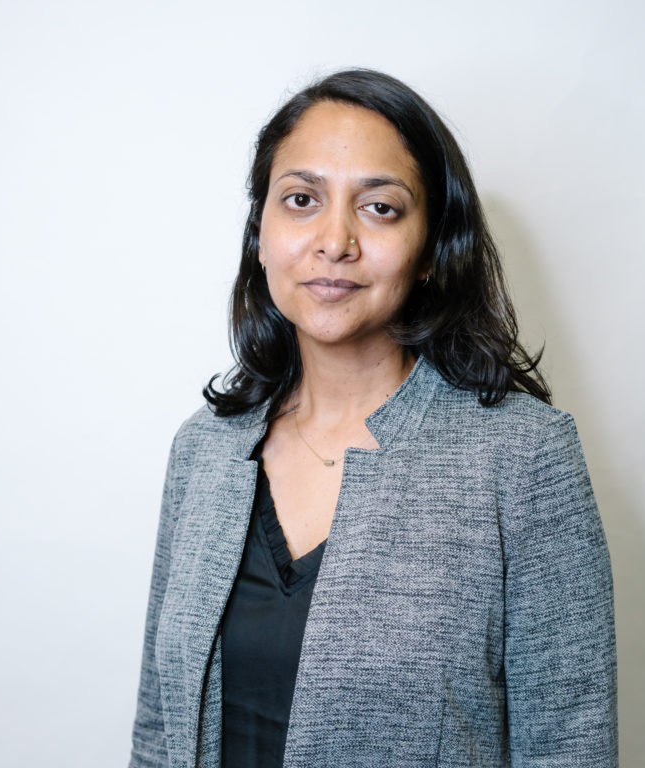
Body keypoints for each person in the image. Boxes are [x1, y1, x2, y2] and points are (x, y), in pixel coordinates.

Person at [128, 69, 617, 768]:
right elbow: (158, 734)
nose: (334, 241)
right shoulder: (204, 450)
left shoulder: (522, 457)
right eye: (301, 200)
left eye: (380, 208)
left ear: (431, 250)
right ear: (260, 233)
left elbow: (570, 747)